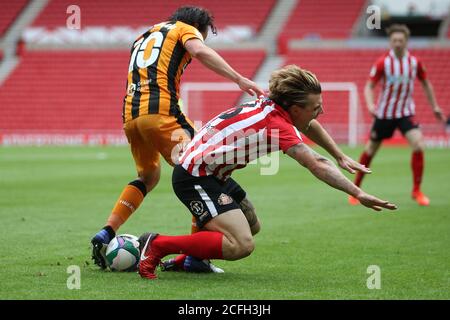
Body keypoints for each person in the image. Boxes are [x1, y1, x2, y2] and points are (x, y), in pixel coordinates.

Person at [137, 65, 397, 280]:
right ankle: (158, 245)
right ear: (295, 110)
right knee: (241, 244)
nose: (321, 111)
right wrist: (357, 192)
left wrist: (339, 155)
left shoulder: (273, 105)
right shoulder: (276, 123)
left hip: (214, 173)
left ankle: (191, 261)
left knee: (252, 223)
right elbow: (315, 163)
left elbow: (310, 124)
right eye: (316, 107)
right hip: (195, 177)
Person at [91, 6, 265, 272]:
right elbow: (199, 51)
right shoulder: (184, 28)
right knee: (200, 171)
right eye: (203, 35)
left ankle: (107, 231)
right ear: (199, 27)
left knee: (148, 177)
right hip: (161, 113)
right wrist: (239, 79)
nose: (201, 39)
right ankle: (196, 258)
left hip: (132, 116)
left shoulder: (143, 36)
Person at [349, 24, 446, 207]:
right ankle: (356, 189)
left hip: (405, 113)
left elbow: (426, 83)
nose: (397, 43)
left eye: (401, 40)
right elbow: (369, 86)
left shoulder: (414, 63)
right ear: (390, 42)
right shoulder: (383, 62)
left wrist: (434, 106)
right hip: (384, 114)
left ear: (406, 41)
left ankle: (417, 190)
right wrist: (370, 104)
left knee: (418, 145)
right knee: (370, 151)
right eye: (394, 40)